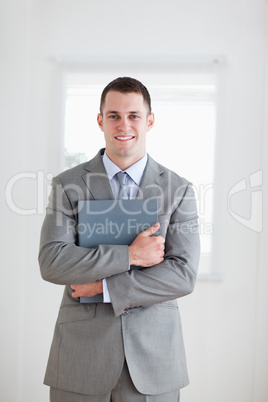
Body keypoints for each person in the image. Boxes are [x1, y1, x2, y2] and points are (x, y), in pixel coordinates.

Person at [39, 76, 200, 402]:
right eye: (113, 115)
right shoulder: (67, 184)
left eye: (133, 116)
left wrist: (104, 288)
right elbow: (52, 262)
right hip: (81, 356)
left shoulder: (179, 189)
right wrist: (130, 255)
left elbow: (182, 275)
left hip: (154, 360)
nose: (123, 124)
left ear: (149, 121)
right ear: (100, 120)